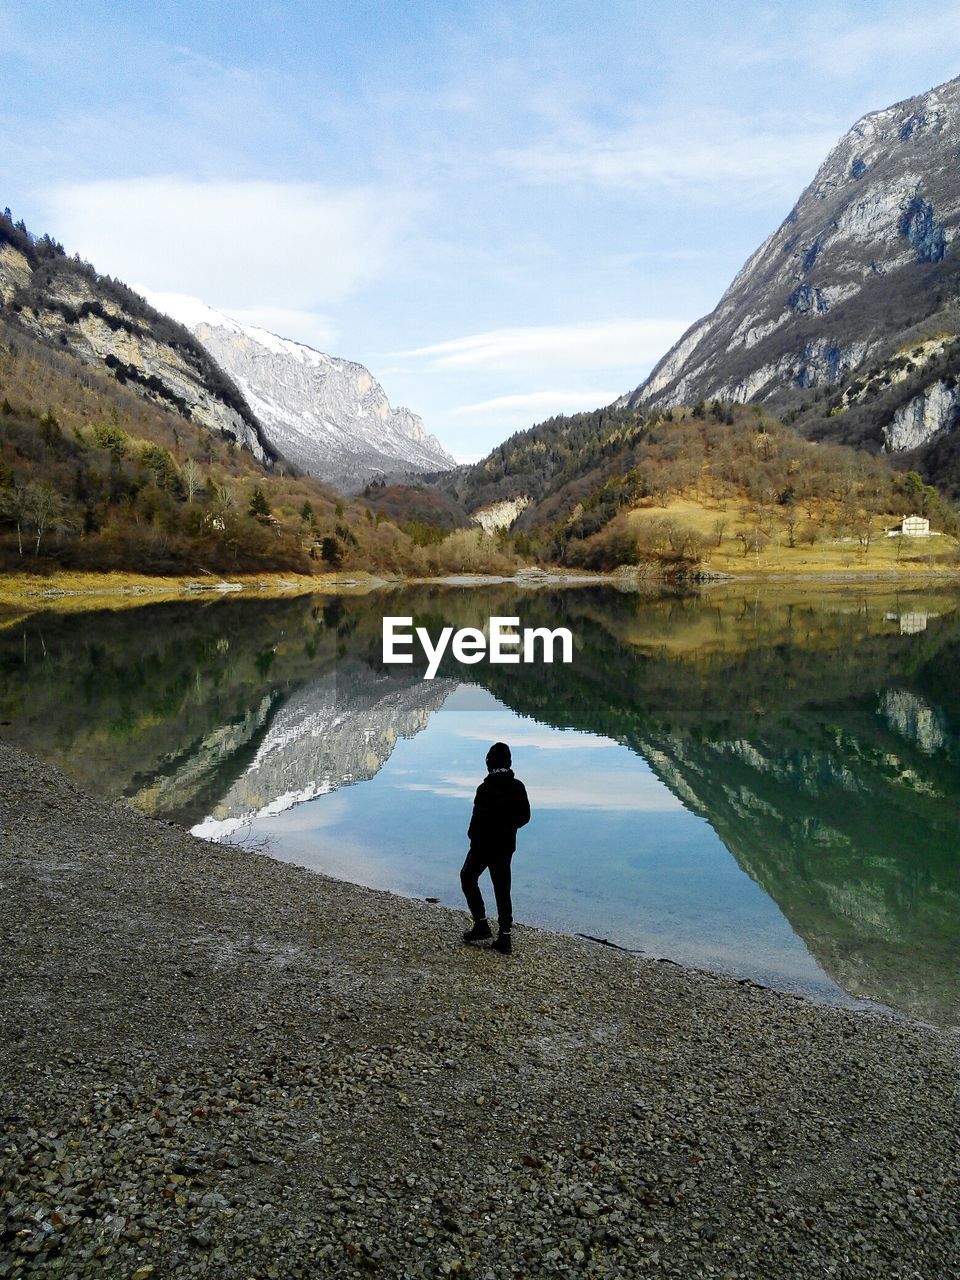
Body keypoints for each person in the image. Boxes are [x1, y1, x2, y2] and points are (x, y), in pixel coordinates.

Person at [460, 742, 530, 955]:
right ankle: (505, 937)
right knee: (502, 888)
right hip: (505, 846)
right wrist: (509, 828)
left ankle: (481, 923)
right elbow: (524, 817)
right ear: (509, 763)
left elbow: (476, 821)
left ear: (489, 763)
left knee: (467, 877)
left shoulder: (485, 789)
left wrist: (473, 838)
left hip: (482, 846)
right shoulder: (518, 787)